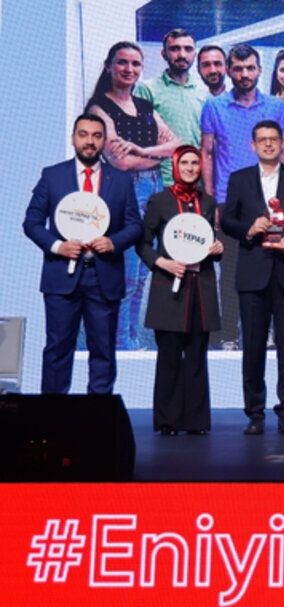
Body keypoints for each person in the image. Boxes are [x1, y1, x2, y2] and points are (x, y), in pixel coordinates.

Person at [23, 114, 143, 394]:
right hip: (61, 277)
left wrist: (113, 242)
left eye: (97, 136)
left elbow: (135, 226)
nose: (90, 141)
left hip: (104, 278)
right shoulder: (52, 176)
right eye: (84, 134)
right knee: (57, 350)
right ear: (73, 138)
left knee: (103, 351)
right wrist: (58, 246)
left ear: (104, 141)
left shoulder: (120, 180)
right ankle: (51, 416)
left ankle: (98, 415)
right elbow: (32, 223)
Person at [220, 121, 284, 435]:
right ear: (253, 145)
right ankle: (255, 414)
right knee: (253, 348)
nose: (268, 144)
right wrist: (249, 229)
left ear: (282, 143)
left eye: (273, 139)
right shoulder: (239, 179)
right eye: (262, 140)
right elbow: (228, 221)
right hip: (253, 273)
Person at [86, 41, 181, 351]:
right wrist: (156, 155)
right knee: (125, 276)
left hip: (153, 189)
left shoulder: (144, 106)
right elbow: (120, 162)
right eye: (122, 63)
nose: (129, 69)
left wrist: (141, 150)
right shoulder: (99, 109)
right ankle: (119, 347)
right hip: (124, 192)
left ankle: (130, 341)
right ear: (109, 66)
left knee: (141, 274)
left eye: (135, 64)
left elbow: (177, 146)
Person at [201, 43, 284, 350]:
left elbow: (283, 151)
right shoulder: (214, 107)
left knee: (269, 267)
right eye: (238, 68)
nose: (244, 74)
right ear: (228, 71)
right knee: (230, 272)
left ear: (260, 70)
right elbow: (207, 154)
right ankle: (229, 333)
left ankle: (264, 330)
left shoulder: (276, 107)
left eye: (250, 68)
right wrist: (211, 201)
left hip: (269, 199)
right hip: (229, 201)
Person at [136, 145, 223, 436]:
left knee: (197, 357)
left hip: (201, 289)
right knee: (169, 357)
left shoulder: (208, 202)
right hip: (169, 289)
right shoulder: (160, 201)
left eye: (194, 163)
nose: (189, 168)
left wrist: (218, 249)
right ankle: (168, 421)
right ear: (175, 166)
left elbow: (210, 241)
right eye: (184, 162)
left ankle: (197, 421)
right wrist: (162, 262)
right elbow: (142, 243)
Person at [136, 28, 208, 187]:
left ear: (194, 54)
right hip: (160, 181)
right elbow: (139, 137)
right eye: (175, 49)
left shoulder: (204, 92)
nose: (182, 54)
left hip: (196, 181)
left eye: (188, 49)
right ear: (164, 54)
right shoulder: (147, 89)